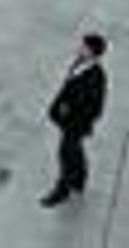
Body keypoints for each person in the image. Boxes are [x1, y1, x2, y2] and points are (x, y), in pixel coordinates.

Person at [41, 33, 108, 207]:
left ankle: (62, 189)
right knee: (74, 150)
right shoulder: (80, 63)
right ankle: (79, 179)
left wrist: (74, 117)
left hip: (76, 123)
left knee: (65, 154)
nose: (79, 48)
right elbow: (68, 87)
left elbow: (95, 107)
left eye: (84, 47)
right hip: (68, 120)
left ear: (92, 52)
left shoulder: (96, 76)